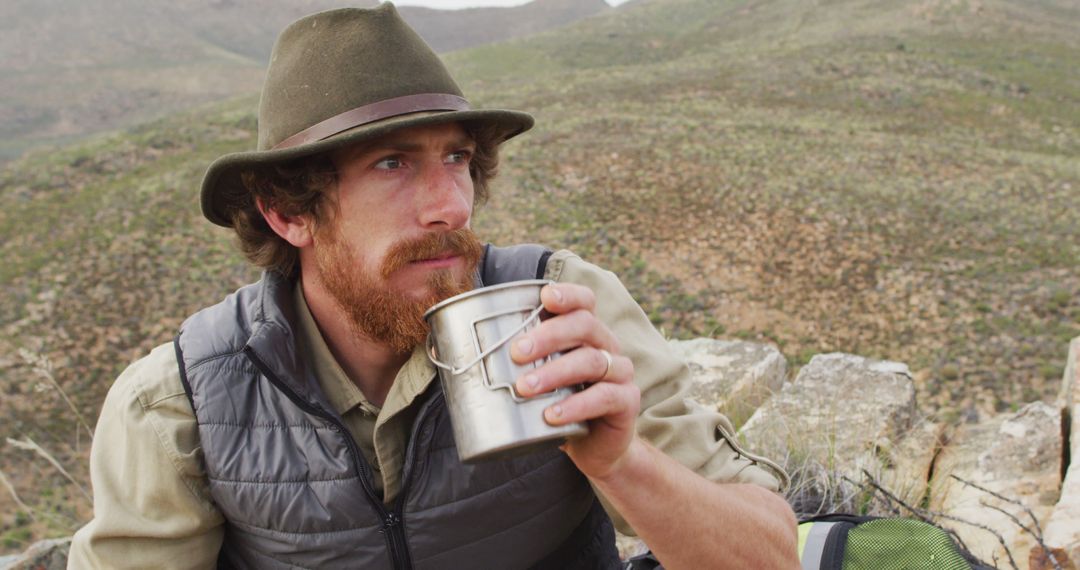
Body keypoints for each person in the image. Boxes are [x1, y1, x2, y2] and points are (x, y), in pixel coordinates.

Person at [68, 4, 799, 569]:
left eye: (457, 158)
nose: (450, 204)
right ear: (287, 212)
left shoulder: (559, 312)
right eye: (392, 164)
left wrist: (622, 462)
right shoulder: (182, 403)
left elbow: (770, 557)